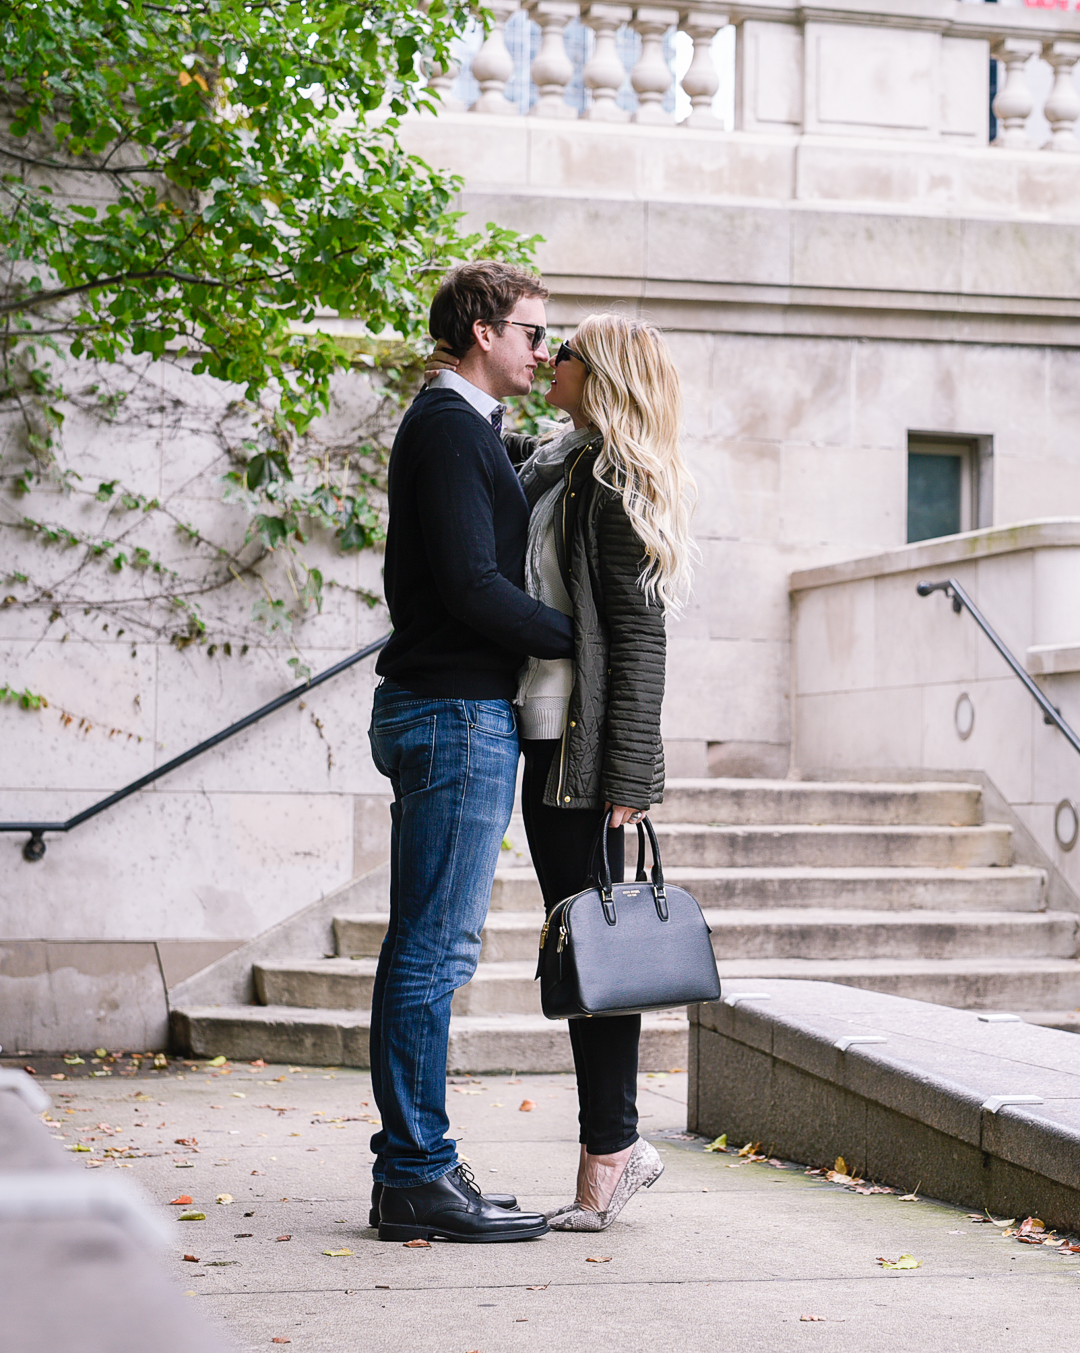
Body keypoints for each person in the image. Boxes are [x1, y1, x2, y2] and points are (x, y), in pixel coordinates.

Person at [431, 313, 697, 1232]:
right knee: (581, 950)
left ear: (603, 374)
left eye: (567, 351)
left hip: (580, 751)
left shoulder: (616, 485)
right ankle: (617, 1149)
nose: (549, 359)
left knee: (598, 953)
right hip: (538, 732)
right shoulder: (557, 464)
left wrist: (630, 777)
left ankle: (613, 1153)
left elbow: (640, 644)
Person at [367, 261, 575, 1244]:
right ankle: (414, 1174)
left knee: (432, 947)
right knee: (431, 951)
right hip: (452, 714)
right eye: (535, 333)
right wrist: (588, 641)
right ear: (484, 330)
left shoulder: (469, 428)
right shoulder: (449, 428)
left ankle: (422, 1168)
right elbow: (472, 588)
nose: (545, 350)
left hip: (450, 709)